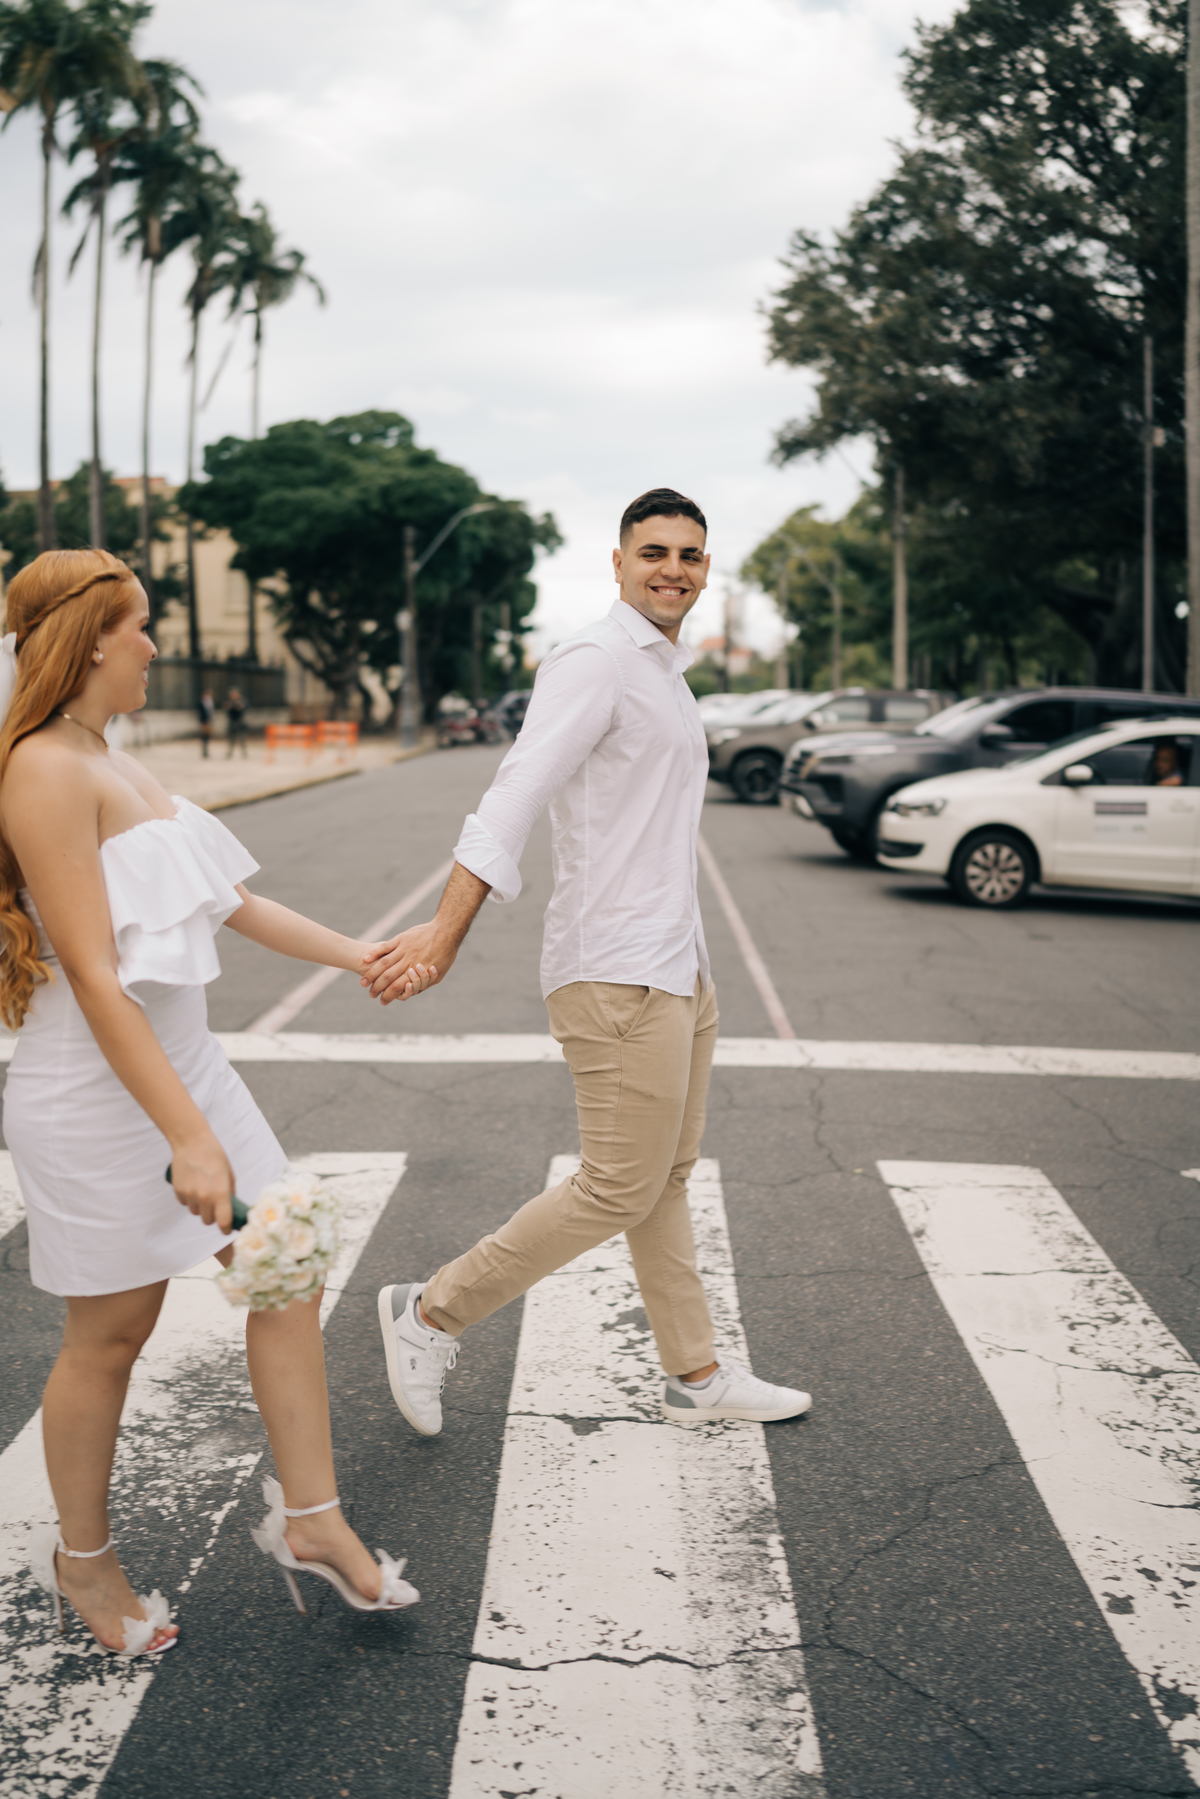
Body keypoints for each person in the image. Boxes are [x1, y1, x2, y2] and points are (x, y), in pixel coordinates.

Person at [1, 551, 433, 1658]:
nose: (155, 645)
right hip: (95, 1092)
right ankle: (85, 1563)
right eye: (141, 626)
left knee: (286, 1265)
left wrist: (361, 955)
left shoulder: (115, 759)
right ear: (93, 637)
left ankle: (313, 1516)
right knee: (111, 1332)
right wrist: (185, 1135)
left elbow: (230, 900)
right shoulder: (45, 769)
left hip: (186, 1065)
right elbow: (96, 976)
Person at [363, 489, 811, 1435]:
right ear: (617, 561)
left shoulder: (664, 674)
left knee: (665, 1179)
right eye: (655, 551)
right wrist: (445, 931)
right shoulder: (595, 660)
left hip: (676, 966)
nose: (674, 569)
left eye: (690, 555)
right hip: (613, 970)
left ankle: (696, 1375)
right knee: (616, 1183)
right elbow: (514, 792)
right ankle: (430, 1311)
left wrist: (692, 970)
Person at [225, 686, 248, 759]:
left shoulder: (242, 701)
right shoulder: (229, 702)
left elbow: (242, 709)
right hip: (232, 722)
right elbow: (228, 710)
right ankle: (230, 752)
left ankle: (244, 753)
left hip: (240, 722)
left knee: (242, 738)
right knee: (231, 738)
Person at [197, 688, 215, 759]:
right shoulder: (201, 702)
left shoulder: (210, 702)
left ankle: (206, 751)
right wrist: (204, 721)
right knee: (204, 737)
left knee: (208, 737)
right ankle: (204, 752)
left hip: (209, 721)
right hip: (204, 722)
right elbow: (201, 713)